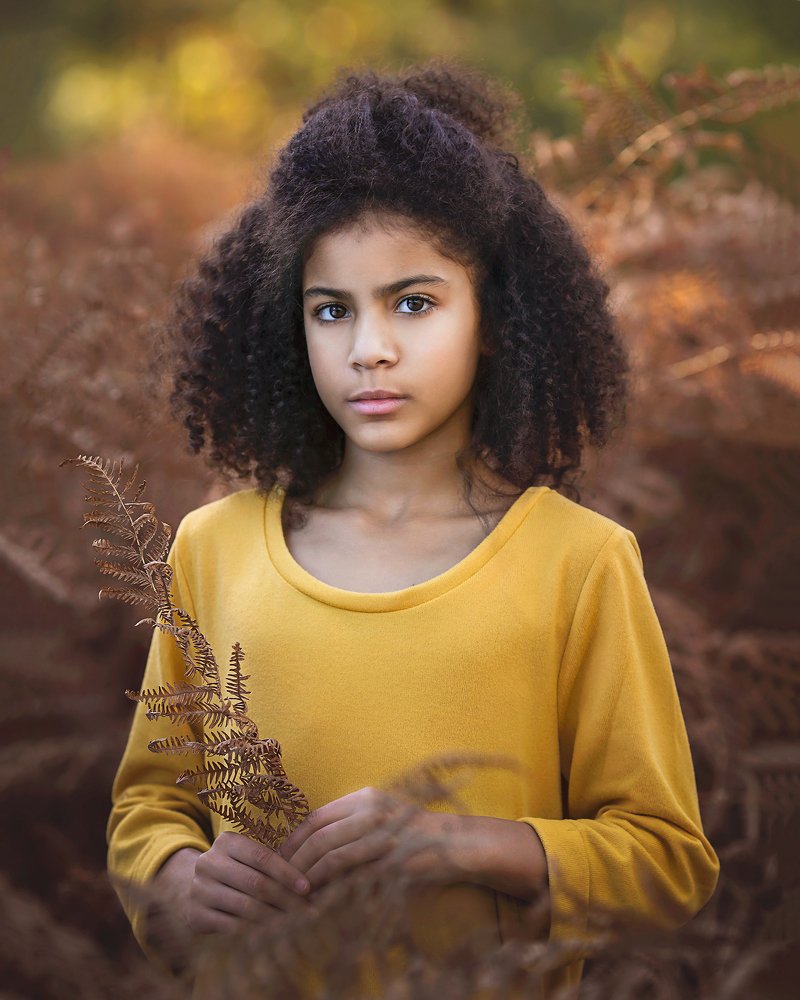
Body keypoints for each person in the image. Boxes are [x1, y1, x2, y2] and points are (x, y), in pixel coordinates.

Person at [107, 59, 719, 996]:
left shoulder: (581, 564)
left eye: (414, 302)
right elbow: (150, 804)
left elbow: (666, 862)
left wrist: (465, 843)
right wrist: (171, 878)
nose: (369, 349)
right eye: (331, 310)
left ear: (497, 319)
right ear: (288, 328)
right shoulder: (209, 549)